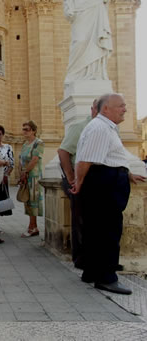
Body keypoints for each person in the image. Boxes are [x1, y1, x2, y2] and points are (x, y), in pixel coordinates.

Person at [71, 93, 146, 295]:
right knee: (108, 231)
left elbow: (107, 157)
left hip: (106, 180)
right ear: (106, 109)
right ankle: (106, 278)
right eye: (121, 106)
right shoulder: (101, 128)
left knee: (97, 229)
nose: (125, 109)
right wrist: (79, 183)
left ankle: (92, 272)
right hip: (104, 184)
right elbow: (86, 161)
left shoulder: (104, 128)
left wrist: (127, 173)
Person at [58, 99, 99, 269]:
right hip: (81, 181)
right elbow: (63, 151)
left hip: (95, 181)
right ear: (93, 110)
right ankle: (81, 259)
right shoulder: (81, 127)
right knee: (81, 221)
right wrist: (71, 177)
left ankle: (95, 258)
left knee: (93, 222)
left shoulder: (108, 128)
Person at [63, 0, 112, 84]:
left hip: (95, 6)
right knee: (80, 40)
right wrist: (68, 6)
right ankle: (74, 74)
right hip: (79, 9)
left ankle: (95, 74)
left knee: (95, 43)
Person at [19, 120, 44, 237]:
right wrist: (21, 173)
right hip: (26, 176)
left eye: (27, 129)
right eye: (23, 129)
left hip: (33, 176)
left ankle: (33, 227)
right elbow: (21, 160)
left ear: (33, 130)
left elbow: (34, 159)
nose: (24, 131)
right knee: (27, 201)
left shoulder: (38, 143)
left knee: (33, 201)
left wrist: (25, 172)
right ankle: (32, 226)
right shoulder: (25, 144)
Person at [0, 124, 14, 225]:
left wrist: (6, 175)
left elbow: (11, 163)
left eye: (0, 134)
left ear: (3, 135)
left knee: (1, 203)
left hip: (3, 179)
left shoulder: (8, 147)